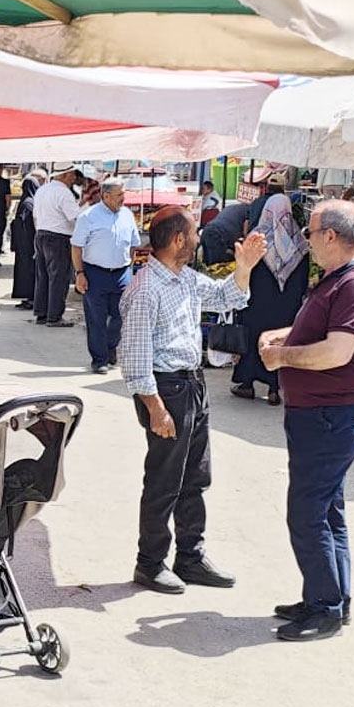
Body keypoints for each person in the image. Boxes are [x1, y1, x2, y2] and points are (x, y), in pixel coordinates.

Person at [259, 200, 354, 642]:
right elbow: (322, 333)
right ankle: (328, 596)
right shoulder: (340, 280)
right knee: (327, 507)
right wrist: (285, 336)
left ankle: (326, 608)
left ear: (330, 236)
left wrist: (282, 357)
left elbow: (337, 352)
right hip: (321, 412)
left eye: (310, 233)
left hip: (332, 413)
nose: (306, 241)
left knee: (308, 510)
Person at [119, 206, 262, 594]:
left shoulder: (182, 279)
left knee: (196, 476)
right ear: (179, 240)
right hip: (166, 390)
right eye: (195, 233)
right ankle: (149, 562)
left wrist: (245, 265)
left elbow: (225, 295)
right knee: (165, 480)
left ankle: (190, 556)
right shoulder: (146, 288)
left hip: (191, 384)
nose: (199, 239)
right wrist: (155, 408)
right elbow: (134, 355)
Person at [231, 193, 310, 405]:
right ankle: (274, 388)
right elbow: (304, 276)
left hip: (257, 302)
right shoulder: (299, 241)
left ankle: (247, 384)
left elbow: (245, 269)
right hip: (286, 305)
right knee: (278, 342)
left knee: (253, 339)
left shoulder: (256, 239)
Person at [70, 176, 139, 374]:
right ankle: (99, 359)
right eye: (119, 195)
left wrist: (130, 270)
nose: (123, 199)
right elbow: (76, 247)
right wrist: (80, 273)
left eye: (123, 194)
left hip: (121, 273)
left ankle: (110, 347)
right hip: (95, 273)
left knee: (122, 315)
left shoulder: (127, 215)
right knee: (96, 318)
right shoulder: (89, 216)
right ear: (106, 196)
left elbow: (133, 244)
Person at [33, 163, 84, 328]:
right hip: (58, 237)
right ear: (64, 175)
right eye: (72, 175)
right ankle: (54, 316)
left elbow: (35, 215)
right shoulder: (63, 193)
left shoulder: (42, 190)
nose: (74, 178)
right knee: (58, 277)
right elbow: (74, 218)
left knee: (44, 276)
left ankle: (42, 313)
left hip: (41, 234)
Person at [10, 169, 44, 307]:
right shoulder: (30, 202)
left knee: (28, 271)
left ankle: (31, 297)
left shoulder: (27, 202)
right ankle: (28, 297)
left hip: (27, 245)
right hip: (27, 244)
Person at [245, 170, 289, 235]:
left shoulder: (256, 201)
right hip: (266, 240)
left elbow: (246, 222)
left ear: (268, 187)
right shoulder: (280, 202)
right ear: (282, 188)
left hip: (252, 238)